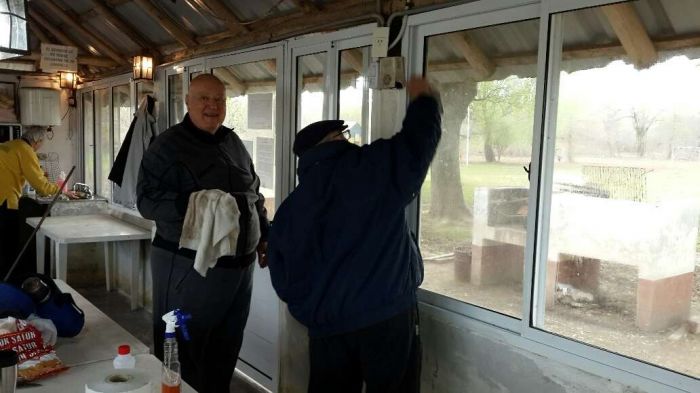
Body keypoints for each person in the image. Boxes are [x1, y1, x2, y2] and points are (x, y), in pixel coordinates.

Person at [266, 77, 441, 393]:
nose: (349, 138)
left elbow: (282, 274)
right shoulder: (371, 168)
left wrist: (315, 310)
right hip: (386, 318)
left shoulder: (292, 207)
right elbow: (417, 143)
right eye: (344, 133)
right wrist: (425, 101)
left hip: (327, 330)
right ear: (334, 140)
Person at [137, 74, 269, 393]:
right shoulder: (167, 145)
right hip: (188, 268)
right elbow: (146, 201)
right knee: (182, 350)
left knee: (225, 348)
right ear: (188, 102)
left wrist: (264, 234)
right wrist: (195, 204)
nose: (212, 106)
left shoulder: (232, 142)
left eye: (219, 100)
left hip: (239, 269)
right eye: (204, 99)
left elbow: (254, 193)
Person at [0, 126, 75, 280]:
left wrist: (38, 171)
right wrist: (61, 191)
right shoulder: (26, 150)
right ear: (36, 141)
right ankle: (9, 285)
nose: (39, 147)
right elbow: (41, 186)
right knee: (8, 246)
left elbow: (16, 168)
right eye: (41, 143)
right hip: (5, 201)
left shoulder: (10, 145)